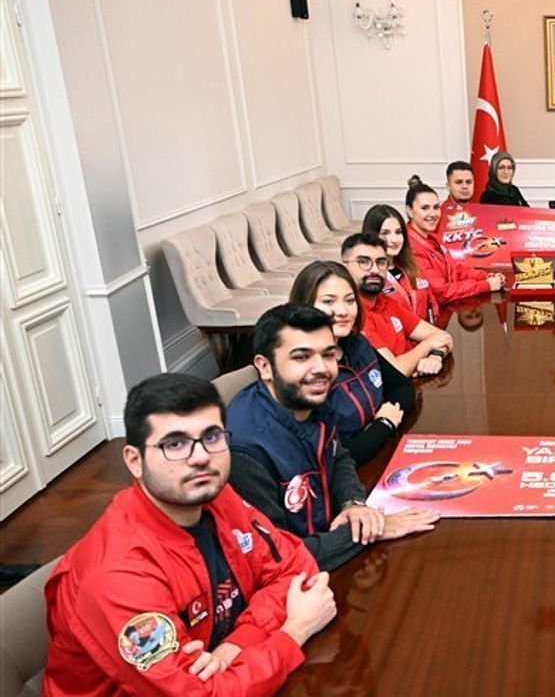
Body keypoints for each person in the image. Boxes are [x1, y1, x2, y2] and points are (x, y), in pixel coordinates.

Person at [44, 373, 334, 694]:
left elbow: (295, 568)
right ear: (135, 461)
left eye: (212, 437)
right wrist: (294, 631)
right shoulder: (117, 575)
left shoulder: (213, 495)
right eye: (175, 444)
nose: (201, 458)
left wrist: (236, 645)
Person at [227, 304, 440, 571]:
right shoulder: (244, 451)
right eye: (301, 357)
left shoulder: (309, 396)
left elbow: (338, 456)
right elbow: (275, 557)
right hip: (296, 579)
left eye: (328, 355)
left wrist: (354, 505)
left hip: (330, 545)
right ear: (265, 367)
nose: (321, 369)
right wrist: (368, 530)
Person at [289, 261, 416, 466]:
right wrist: (384, 423)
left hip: (379, 457)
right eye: (329, 301)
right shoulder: (300, 370)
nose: (343, 311)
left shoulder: (357, 343)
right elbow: (334, 457)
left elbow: (402, 388)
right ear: (304, 306)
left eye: (349, 300)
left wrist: (377, 429)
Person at [341, 231, 455, 377]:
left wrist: (435, 357)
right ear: (344, 267)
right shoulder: (351, 314)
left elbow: (442, 336)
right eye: (363, 262)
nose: (375, 270)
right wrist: (428, 345)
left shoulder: (386, 301)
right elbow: (395, 371)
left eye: (381, 262)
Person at [403, 176, 506, 304]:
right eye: (425, 208)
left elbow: (454, 270)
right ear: (410, 211)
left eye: (436, 207)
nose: (433, 214)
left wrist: (485, 276)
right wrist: (486, 285)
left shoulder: (433, 238)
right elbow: (442, 293)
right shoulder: (410, 247)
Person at [362, 204, 438, 324]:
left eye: (398, 232)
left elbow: (432, 306)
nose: (394, 240)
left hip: (426, 332)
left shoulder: (412, 266)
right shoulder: (368, 278)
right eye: (385, 233)